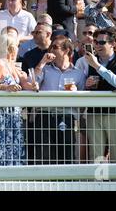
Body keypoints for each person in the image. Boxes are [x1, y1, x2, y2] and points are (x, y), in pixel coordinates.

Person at [0, 34, 35, 166]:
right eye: (16, 46)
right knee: (0, 147)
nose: (18, 49)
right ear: (11, 48)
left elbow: (23, 85)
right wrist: (6, 87)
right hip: (1, 114)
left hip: (14, 115)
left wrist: (32, 85)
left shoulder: (11, 65)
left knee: (14, 147)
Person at [31, 36, 86, 164]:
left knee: (66, 154)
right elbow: (32, 82)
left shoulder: (78, 74)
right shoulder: (45, 68)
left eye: (55, 47)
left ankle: (66, 182)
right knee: (42, 154)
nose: (51, 50)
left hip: (67, 115)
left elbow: (83, 100)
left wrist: (76, 93)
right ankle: (42, 183)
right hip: (44, 114)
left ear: (67, 50)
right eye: (51, 47)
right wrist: (42, 62)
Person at [83, 29, 116, 163]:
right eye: (95, 42)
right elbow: (78, 84)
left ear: (113, 43)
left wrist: (97, 66)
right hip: (94, 113)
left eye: (101, 42)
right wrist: (86, 84)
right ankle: (97, 183)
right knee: (96, 154)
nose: (97, 45)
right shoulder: (87, 62)